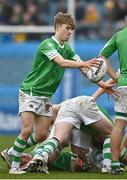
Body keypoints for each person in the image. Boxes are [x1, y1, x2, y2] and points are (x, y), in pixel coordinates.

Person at [1, 12, 99, 175]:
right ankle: (14, 167)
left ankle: (12, 152)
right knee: (26, 131)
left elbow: (82, 66)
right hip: (31, 91)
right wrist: (83, 63)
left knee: (41, 135)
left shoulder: (67, 48)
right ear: (58, 27)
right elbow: (60, 62)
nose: (69, 32)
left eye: (72, 30)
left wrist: (102, 83)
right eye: (67, 28)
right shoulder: (47, 44)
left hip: (46, 96)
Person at [22, 93, 113, 174]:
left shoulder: (86, 131)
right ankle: (108, 166)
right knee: (112, 133)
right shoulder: (103, 127)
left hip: (69, 107)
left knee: (58, 140)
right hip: (79, 104)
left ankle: (33, 157)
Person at [99, 26, 127, 175]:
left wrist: (115, 77)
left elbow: (102, 56)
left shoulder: (119, 35)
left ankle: (115, 164)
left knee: (119, 126)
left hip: (123, 84)